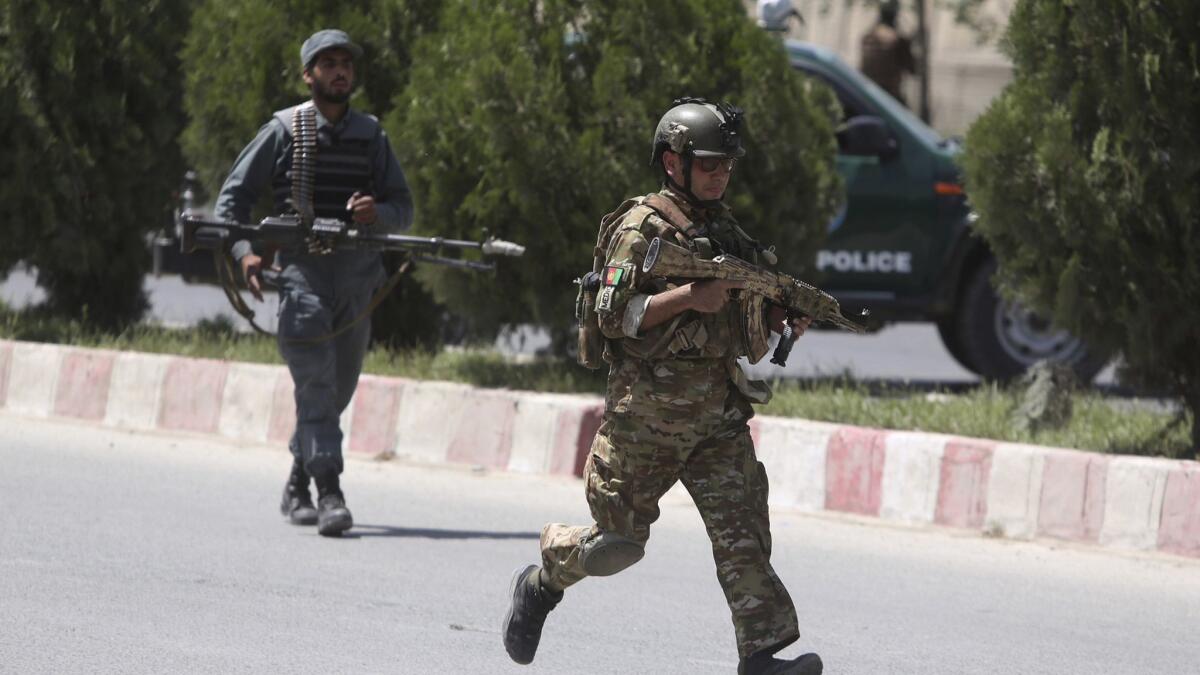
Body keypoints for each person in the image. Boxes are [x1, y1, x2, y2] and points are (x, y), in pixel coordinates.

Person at [502, 99, 823, 675]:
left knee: (743, 533)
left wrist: (779, 319)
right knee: (615, 547)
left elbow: (742, 315)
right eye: (709, 164)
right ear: (673, 162)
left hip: (716, 416)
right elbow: (610, 315)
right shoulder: (640, 229)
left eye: (726, 164)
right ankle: (544, 578)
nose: (720, 174)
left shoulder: (725, 231)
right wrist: (687, 297)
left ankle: (762, 657)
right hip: (646, 420)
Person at [214, 29, 414, 537]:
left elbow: (403, 208)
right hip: (301, 275)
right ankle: (330, 491)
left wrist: (378, 212)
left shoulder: (371, 135)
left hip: (356, 276)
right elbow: (231, 204)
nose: (339, 71)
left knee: (338, 386)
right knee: (317, 383)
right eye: (328, 63)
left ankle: (297, 479)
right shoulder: (284, 130)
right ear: (309, 74)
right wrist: (245, 253)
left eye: (346, 63)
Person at [859, 0, 916, 105]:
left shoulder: (868, 37)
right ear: (895, 15)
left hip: (865, 93)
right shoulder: (898, 40)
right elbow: (913, 69)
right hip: (888, 97)